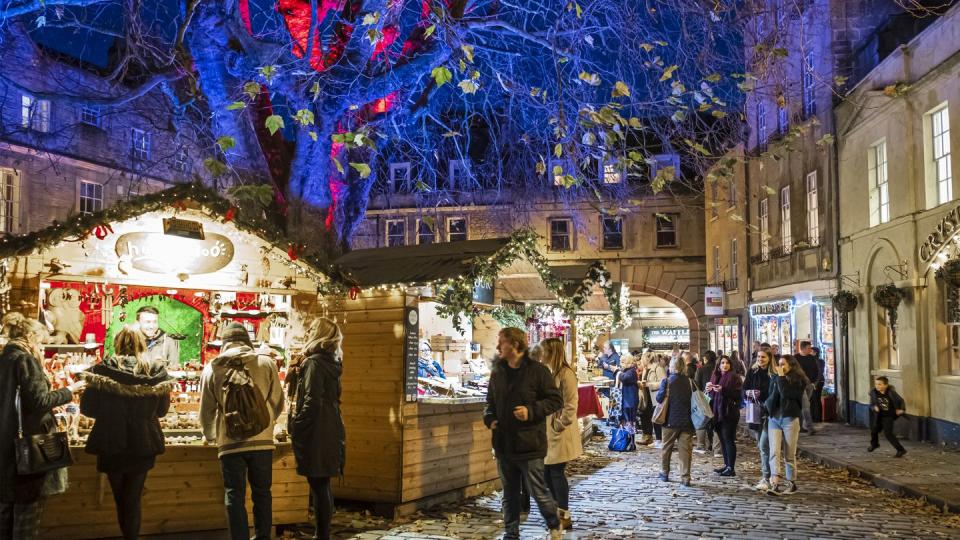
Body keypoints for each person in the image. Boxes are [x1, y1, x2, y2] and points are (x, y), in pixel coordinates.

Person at [80, 327, 174, 540]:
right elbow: (161, 411)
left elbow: (88, 409)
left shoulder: (102, 371)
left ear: (117, 343)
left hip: (111, 440)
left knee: (120, 498)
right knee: (132, 498)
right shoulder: (156, 372)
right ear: (142, 343)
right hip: (143, 441)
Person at [0, 314, 85, 540]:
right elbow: (39, 402)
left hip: (6, 444)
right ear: (30, 337)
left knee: (6, 509)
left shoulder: (5, 357)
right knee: (27, 508)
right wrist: (70, 390)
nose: (41, 346)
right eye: (40, 341)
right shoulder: (25, 360)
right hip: (29, 443)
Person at [200, 323, 284, 540]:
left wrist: (211, 436)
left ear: (225, 343)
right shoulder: (266, 363)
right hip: (263, 443)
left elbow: (206, 410)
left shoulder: (212, 368)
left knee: (234, 495)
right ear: (247, 341)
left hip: (229, 443)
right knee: (262, 493)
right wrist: (268, 423)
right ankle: (263, 537)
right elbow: (277, 401)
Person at [483, 328, 564, 540]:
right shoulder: (497, 371)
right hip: (503, 443)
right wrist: (489, 419)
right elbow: (489, 403)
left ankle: (554, 523)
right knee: (509, 494)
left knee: (538, 491)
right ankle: (511, 534)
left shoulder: (538, 371)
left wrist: (531, 411)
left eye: (502, 342)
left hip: (529, 444)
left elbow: (555, 400)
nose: (498, 346)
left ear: (516, 345)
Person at [289, 318, 347, 540]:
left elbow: (311, 400)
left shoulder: (314, 363)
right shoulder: (331, 361)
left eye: (312, 328)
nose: (308, 331)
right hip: (330, 425)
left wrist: (298, 425)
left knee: (318, 482)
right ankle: (322, 533)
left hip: (317, 429)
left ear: (320, 333)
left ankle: (321, 535)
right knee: (322, 483)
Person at [537, 338, 582, 531]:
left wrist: (559, 424)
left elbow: (571, 403)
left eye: (544, 351)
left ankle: (563, 514)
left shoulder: (565, 373)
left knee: (556, 472)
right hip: (547, 430)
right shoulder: (547, 371)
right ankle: (555, 513)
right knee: (547, 473)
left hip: (558, 431)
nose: (541, 354)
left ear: (551, 352)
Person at [765, 354, 809, 495]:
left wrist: (781, 378)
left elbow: (786, 394)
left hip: (790, 418)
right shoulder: (776, 378)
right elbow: (772, 395)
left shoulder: (798, 380)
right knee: (774, 452)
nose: (780, 367)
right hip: (775, 418)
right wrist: (767, 407)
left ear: (791, 365)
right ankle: (775, 482)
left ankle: (791, 482)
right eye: (779, 364)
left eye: (783, 364)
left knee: (789, 453)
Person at [656, 355, 695, 486]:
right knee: (685, 451)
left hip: (670, 421)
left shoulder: (667, 381)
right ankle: (685, 477)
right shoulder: (690, 382)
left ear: (672, 366)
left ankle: (664, 473)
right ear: (684, 366)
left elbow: (659, 398)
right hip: (687, 421)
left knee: (666, 448)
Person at [743, 348, 775, 490]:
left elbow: (775, 392)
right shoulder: (753, 372)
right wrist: (748, 393)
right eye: (758, 357)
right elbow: (744, 390)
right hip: (755, 412)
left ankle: (768, 477)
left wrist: (763, 396)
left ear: (769, 358)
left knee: (764, 445)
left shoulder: (773, 373)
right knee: (761, 445)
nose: (760, 359)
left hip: (770, 413)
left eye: (763, 357)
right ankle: (767, 476)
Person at [707, 356, 743, 477]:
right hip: (717, 413)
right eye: (722, 363)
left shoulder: (734, 377)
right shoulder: (715, 376)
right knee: (722, 439)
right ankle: (726, 465)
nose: (725, 365)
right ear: (718, 365)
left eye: (727, 363)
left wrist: (723, 390)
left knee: (728, 439)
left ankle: (731, 468)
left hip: (729, 412)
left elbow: (737, 395)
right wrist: (709, 389)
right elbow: (711, 396)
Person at [868, 376, 907, 457]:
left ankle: (901, 450)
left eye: (880, 384)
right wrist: (874, 407)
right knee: (874, 430)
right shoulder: (873, 392)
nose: (877, 386)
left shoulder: (891, 392)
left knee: (888, 434)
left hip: (888, 416)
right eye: (876, 384)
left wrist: (901, 409)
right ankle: (875, 444)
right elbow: (871, 404)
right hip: (878, 416)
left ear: (885, 385)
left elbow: (901, 400)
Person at [693, 351, 721, 456]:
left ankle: (701, 445)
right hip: (717, 398)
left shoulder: (701, 370)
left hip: (704, 398)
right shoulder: (718, 369)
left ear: (705, 359)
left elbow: (696, 386)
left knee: (702, 422)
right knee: (715, 422)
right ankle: (716, 448)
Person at [796, 340, 823, 434]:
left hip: (810, 385)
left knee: (803, 406)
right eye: (808, 348)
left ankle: (800, 426)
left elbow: (817, 370)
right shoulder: (796, 358)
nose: (810, 350)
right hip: (799, 385)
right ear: (802, 348)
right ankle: (809, 427)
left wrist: (814, 383)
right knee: (806, 405)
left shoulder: (812, 358)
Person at [642, 352, 667, 446]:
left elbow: (664, 382)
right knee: (651, 417)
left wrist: (649, 385)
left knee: (657, 417)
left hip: (656, 396)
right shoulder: (646, 369)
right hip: (648, 396)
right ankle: (656, 438)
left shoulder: (658, 368)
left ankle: (660, 439)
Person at [616, 354, 640, 434]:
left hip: (630, 402)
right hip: (628, 401)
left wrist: (617, 372)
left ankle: (632, 443)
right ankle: (629, 441)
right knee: (628, 423)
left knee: (630, 423)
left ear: (627, 362)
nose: (620, 364)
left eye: (622, 362)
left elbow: (624, 378)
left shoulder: (631, 371)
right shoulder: (628, 371)